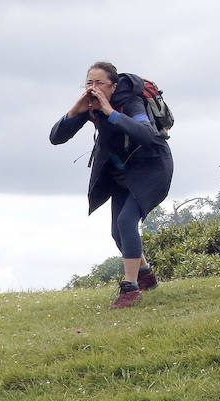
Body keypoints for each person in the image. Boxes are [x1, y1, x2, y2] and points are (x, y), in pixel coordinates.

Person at [50, 61, 173, 309]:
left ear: (113, 86)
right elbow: (56, 138)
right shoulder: (89, 107)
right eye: (89, 83)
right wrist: (76, 109)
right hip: (120, 172)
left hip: (151, 168)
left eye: (99, 83)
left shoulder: (131, 102)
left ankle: (131, 289)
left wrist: (110, 112)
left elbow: (147, 135)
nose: (93, 88)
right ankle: (146, 275)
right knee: (118, 232)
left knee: (127, 221)